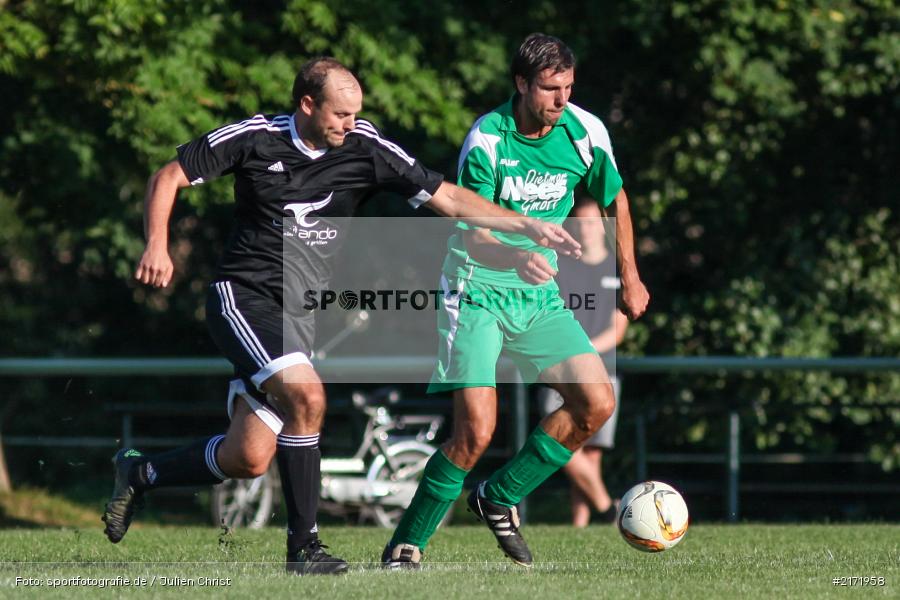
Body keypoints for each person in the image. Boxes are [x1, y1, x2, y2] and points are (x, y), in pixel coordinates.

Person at [103, 57, 581, 576]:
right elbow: (169, 175)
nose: (351, 124)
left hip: (298, 314)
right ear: (307, 105)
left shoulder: (365, 146)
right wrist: (157, 244)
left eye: (357, 113)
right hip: (244, 296)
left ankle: (140, 473)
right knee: (308, 397)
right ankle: (303, 549)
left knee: (248, 457)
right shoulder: (256, 138)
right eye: (341, 114)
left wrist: (525, 224)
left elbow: (449, 197)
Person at [382, 33, 649, 569]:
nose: (561, 100)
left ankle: (498, 496)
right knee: (475, 431)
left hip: (539, 296)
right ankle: (406, 544)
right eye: (550, 89)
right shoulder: (488, 138)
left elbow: (615, 195)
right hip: (475, 288)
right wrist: (515, 258)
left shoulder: (585, 131)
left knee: (595, 403)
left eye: (569, 88)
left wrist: (630, 272)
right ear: (522, 84)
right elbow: (472, 227)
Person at [537, 196, 629, 527]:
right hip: (562, 367)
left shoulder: (616, 269)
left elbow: (618, 328)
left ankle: (581, 524)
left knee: (591, 452)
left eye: (593, 223)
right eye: (581, 223)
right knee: (562, 438)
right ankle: (606, 509)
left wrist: (587, 349)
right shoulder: (560, 265)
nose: (587, 230)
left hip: (603, 367)